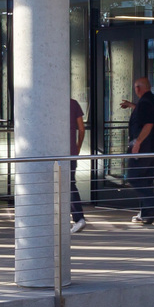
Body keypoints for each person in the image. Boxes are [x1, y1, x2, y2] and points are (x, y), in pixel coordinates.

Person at [120, 76, 154, 225]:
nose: (135, 89)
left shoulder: (145, 103)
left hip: (144, 148)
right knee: (145, 180)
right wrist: (132, 105)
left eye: (135, 87)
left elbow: (148, 124)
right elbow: (147, 114)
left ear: (138, 88)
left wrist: (137, 143)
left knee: (133, 177)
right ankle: (147, 214)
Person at [69, 97, 88, 232]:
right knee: (70, 184)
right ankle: (78, 218)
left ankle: (78, 217)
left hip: (50, 153)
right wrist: (78, 147)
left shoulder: (47, 102)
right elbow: (81, 129)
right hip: (70, 153)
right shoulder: (73, 103)